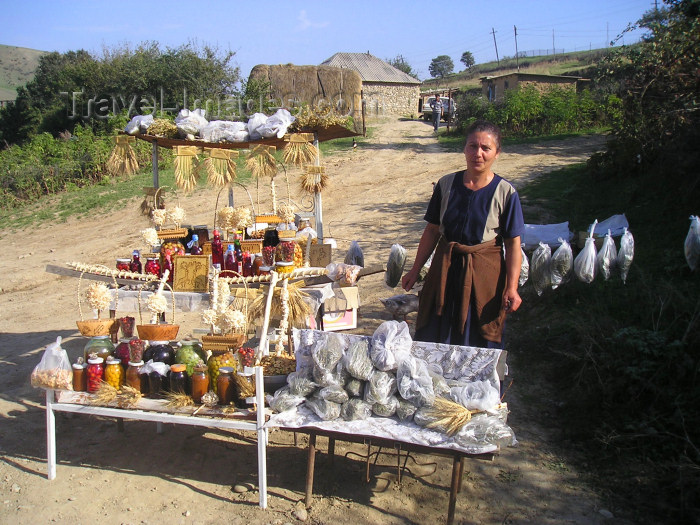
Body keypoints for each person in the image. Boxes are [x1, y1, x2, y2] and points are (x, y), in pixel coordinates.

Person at [401, 120, 524, 348]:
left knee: (480, 329)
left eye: (486, 148)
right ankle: (432, 380)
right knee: (436, 326)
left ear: (497, 153)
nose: (478, 153)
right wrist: (415, 269)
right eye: (472, 146)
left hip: (485, 273)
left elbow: (513, 244)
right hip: (444, 269)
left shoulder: (506, 193)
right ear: (464, 148)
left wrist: (512, 287)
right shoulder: (446, 185)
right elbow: (432, 230)